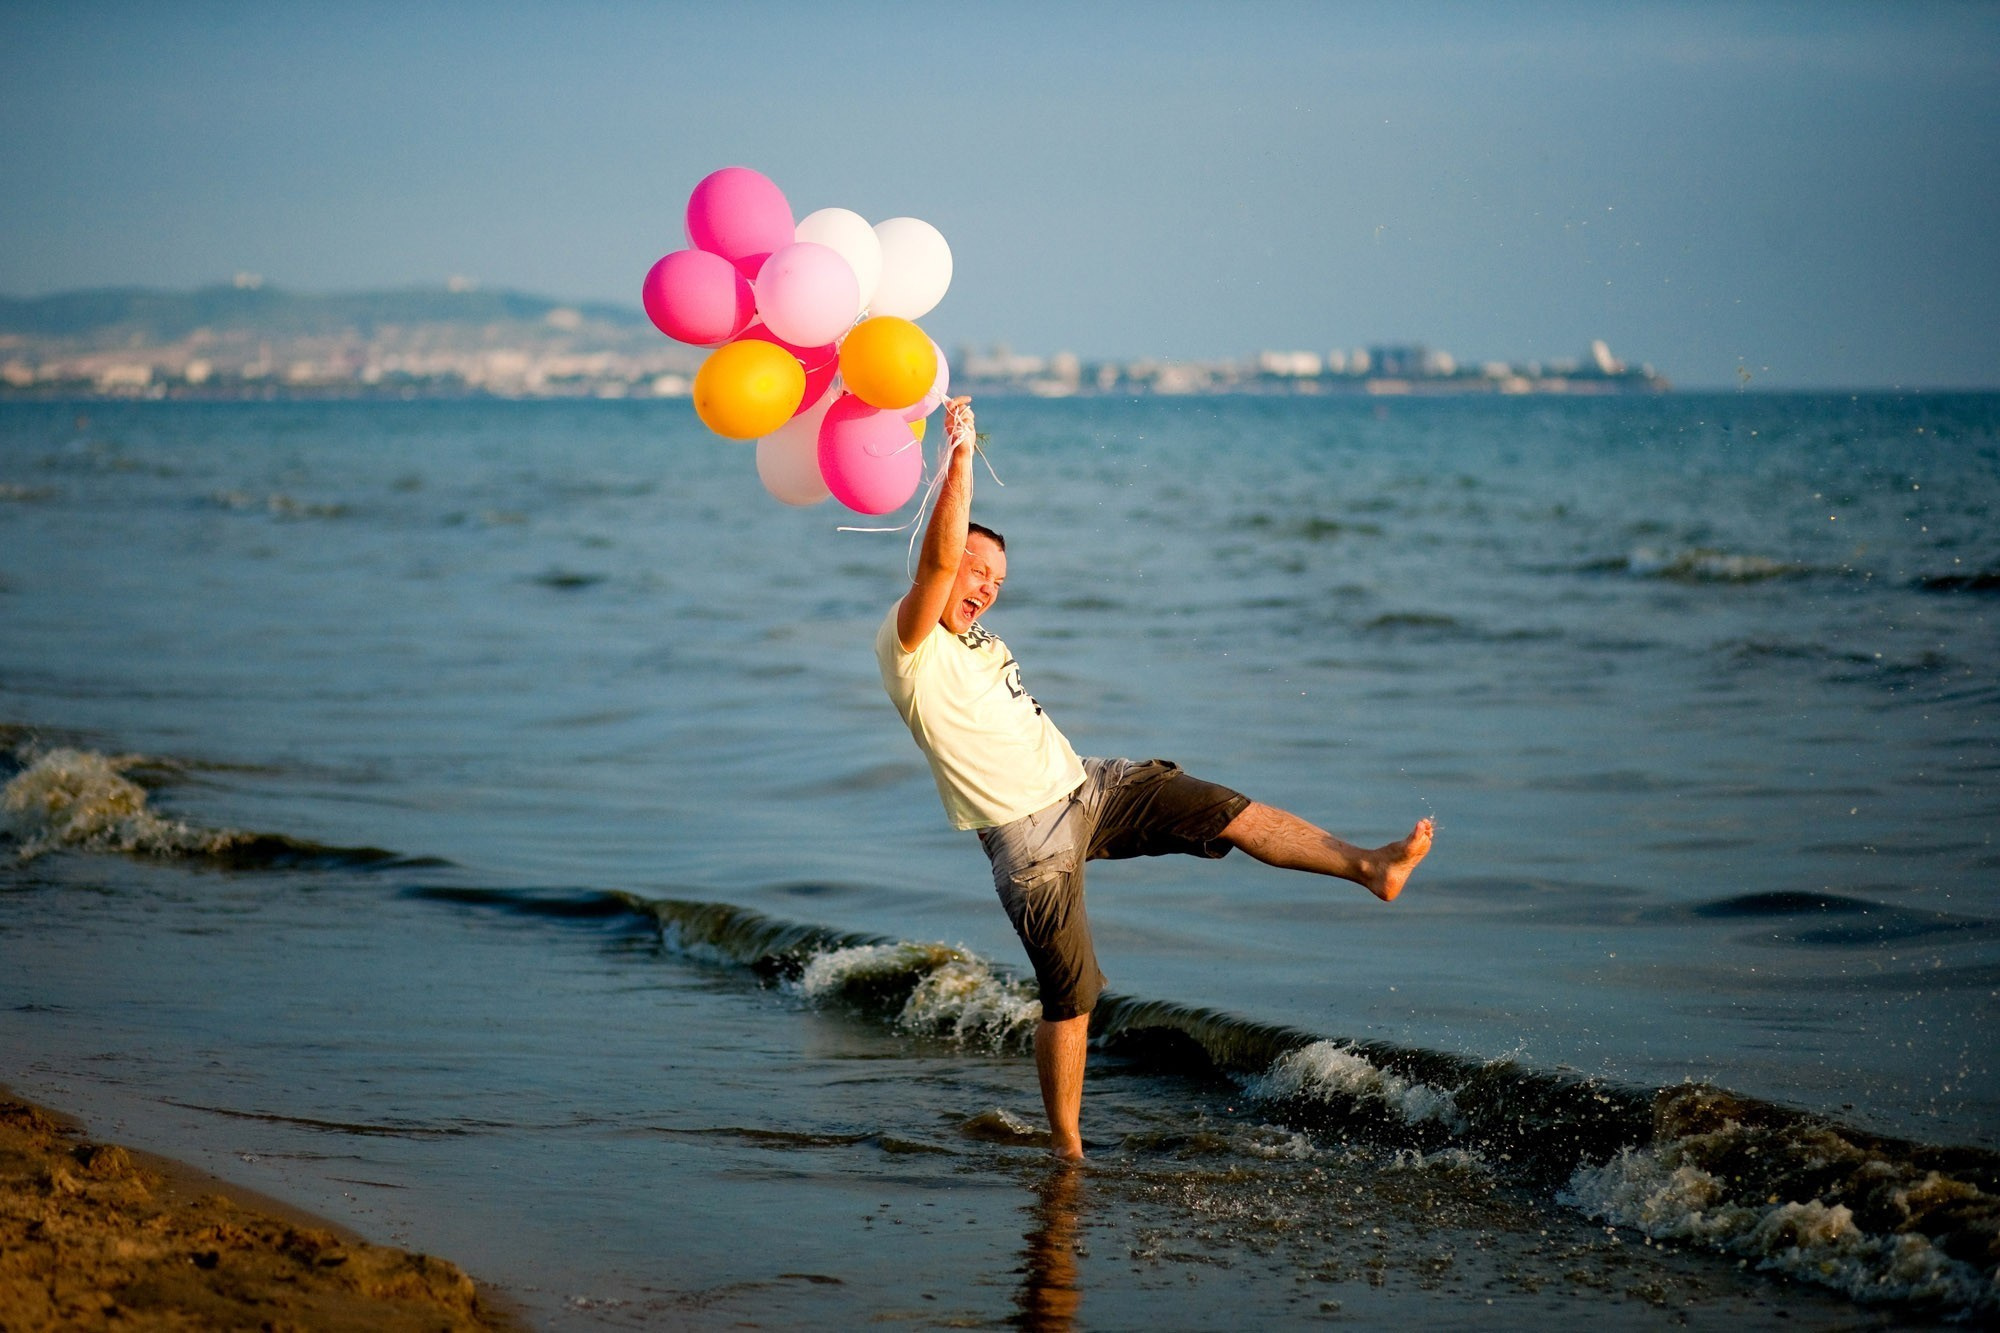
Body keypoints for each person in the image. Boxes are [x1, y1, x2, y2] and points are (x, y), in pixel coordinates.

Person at [876, 397, 1433, 1160]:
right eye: (977, 571)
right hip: (1029, 842)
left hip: (1090, 787)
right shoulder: (911, 642)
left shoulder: (977, 640)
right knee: (1072, 1000)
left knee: (1226, 811)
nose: (984, 589)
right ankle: (1067, 1149)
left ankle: (1370, 867)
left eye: (997, 581)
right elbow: (938, 563)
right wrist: (962, 454)